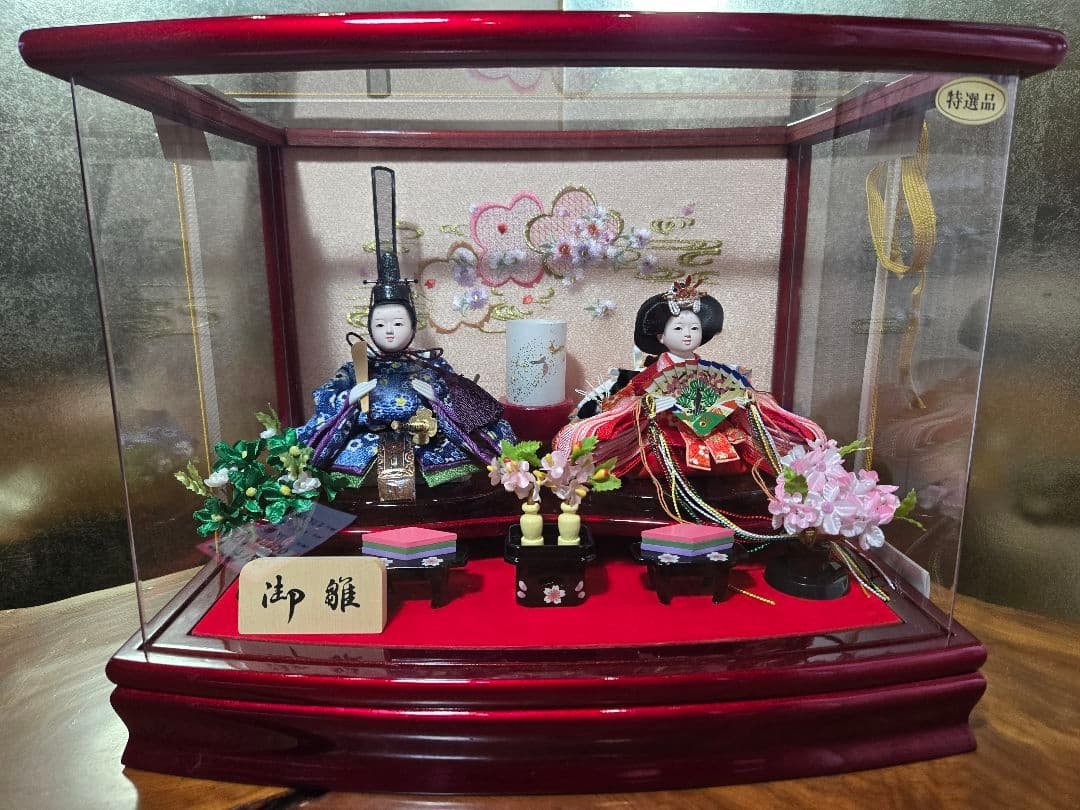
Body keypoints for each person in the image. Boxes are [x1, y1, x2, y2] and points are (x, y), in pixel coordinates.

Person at [297, 167, 515, 501]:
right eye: (381, 324)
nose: (389, 331)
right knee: (357, 493)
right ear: (369, 327)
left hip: (424, 445)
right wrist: (349, 400)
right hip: (366, 448)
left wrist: (437, 398)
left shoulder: (428, 366)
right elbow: (326, 403)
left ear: (413, 327)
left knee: (446, 491)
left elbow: (464, 406)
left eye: (398, 324)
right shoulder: (357, 368)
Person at [554, 276, 823, 482]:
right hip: (667, 439)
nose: (687, 334)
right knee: (652, 458)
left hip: (715, 435)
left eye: (694, 328)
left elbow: (736, 398)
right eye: (679, 328)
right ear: (661, 336)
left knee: (743, 452)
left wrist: (743, 401)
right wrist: (646, 406)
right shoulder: (650, 375)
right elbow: (621, 403)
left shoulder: (715, 371)